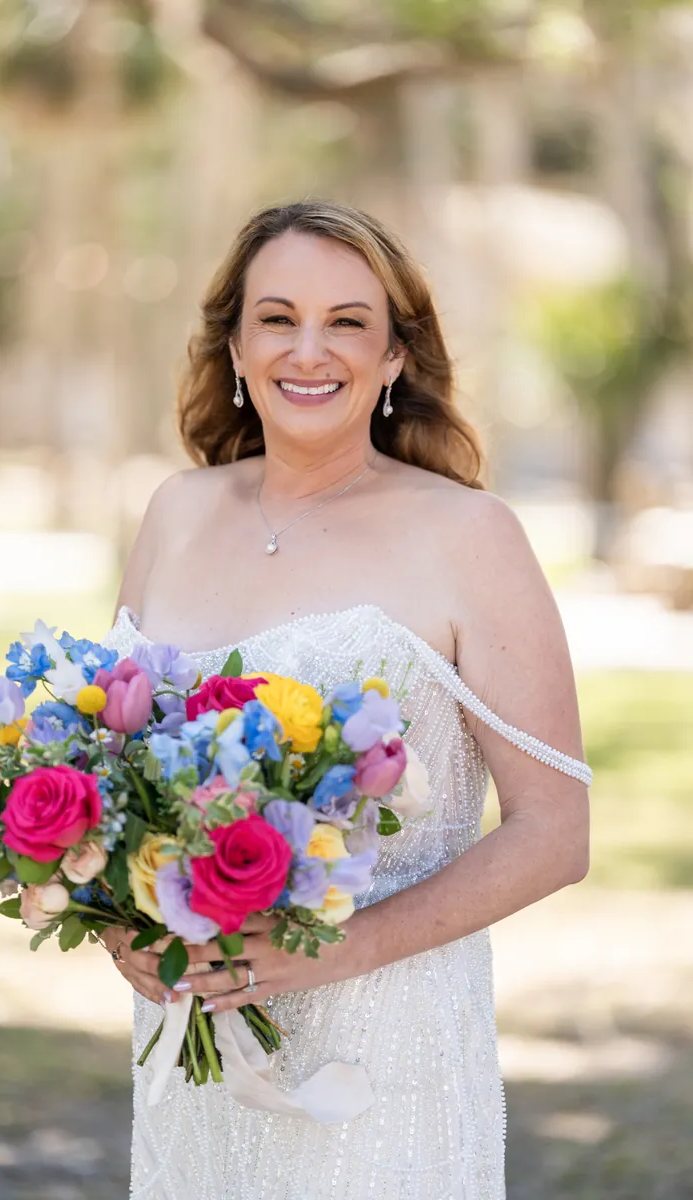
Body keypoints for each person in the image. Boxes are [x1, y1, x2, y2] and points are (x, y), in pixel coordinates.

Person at [100, 200, 591, 1199]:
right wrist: (122, 921)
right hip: (192, 1045)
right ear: (233, 346)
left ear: (395, 356)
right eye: (276, 318)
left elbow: (554, 832)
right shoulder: (175, 513)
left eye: (347, 322)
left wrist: (334, 951)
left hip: (383, 1058)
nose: (307, 350)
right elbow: (116, 768)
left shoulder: (467, 535)